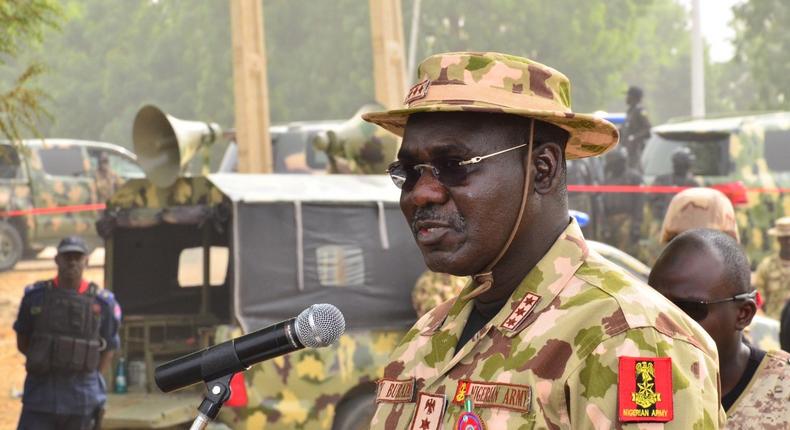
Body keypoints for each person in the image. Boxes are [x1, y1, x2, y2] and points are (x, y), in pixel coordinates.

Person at [363, 51, 723, 429]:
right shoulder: (423, 341)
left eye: (453, 166)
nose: (421, 194)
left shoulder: (627, 339)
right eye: (408, 172)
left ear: (542, 169)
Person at [649, 229, 790, 427]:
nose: (664, 321)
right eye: (653, 305)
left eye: (689, 309)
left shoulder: (782, 391)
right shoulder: (640, 381)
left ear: (743, 314)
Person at [14, 236, 121, 430]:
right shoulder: (35, 297)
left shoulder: (103, 303)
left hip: (82, 400)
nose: (72, 262)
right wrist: (43, 358)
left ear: (86, 261)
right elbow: (23, 341)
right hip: (40, 398)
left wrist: (86, 374)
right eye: (67, 256)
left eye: (77, 257)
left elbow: (109, 348)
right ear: (57, 259)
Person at [601, 148, 643, 256]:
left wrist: (636, 226)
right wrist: (605, 226)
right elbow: (603, 205)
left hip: (627, 220)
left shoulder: (634, 178)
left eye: (620, 162)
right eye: (614, 163)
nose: (617, 166)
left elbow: (639, 203)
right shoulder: (607, 180)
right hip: (610, 221)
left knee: (624, 255)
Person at [649, 148, 700, 220]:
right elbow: (653, 200)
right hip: (664, 221)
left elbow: (698, 207)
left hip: (687, 223)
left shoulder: (693, 184)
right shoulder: (662, 180)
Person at [754, 216, 790, 319]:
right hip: (772, 324)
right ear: (778, 239)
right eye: (785, 238)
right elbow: (759, 300)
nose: (788, 242)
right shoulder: (766, 266)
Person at [621, 85, 651, 171]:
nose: (626, 98)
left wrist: (634, 138)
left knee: (634, 171)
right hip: (628, 150)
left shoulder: (639, 111)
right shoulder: (630, 111)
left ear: (634, 97)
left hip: (636, 151)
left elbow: (648, 129)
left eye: (628, 95)